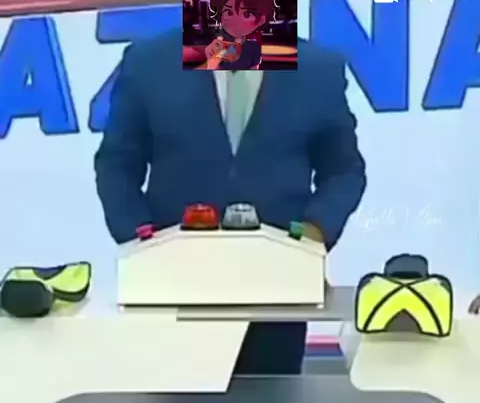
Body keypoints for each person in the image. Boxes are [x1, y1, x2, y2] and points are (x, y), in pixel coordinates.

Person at [94, 27, 367, 375]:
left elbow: (343, 171)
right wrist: (140, 239)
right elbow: (117, 163)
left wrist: (314, 233)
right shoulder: (149, 62)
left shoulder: (317, 68)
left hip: (277, 290)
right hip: (172, 288)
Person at [205, 0, 276, 70]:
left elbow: (254, 73)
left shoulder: (253, 48)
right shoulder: (220, 46)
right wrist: (212, 60)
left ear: (261, 20)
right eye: (229, 12)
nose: (235, 20)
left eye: (246, 14)